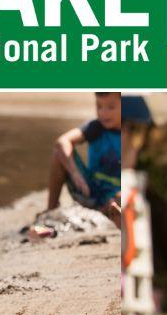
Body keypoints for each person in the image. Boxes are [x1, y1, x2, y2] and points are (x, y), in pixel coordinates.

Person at [43, 92, 123, 224]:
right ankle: (51, 210)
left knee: (121, 198)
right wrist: (75, 174)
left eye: (110, 107)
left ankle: (115, 216)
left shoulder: (130, 134)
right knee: (59, 153)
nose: (103, 113)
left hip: (116, 195)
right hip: (89, 190)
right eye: (99, 106)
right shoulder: (95, 127)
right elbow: (62, 141)